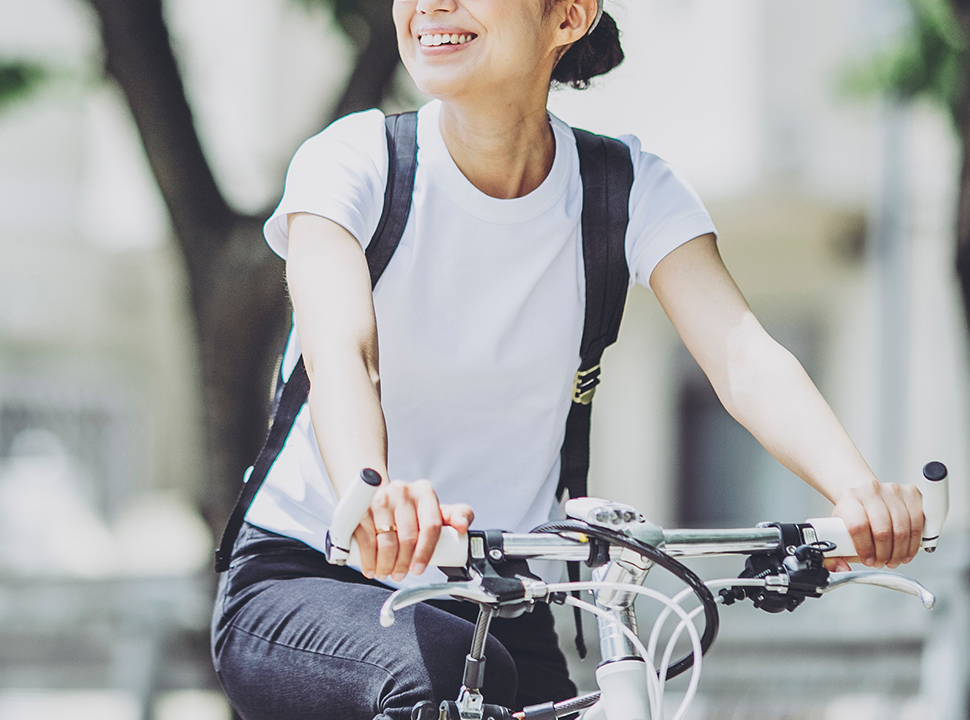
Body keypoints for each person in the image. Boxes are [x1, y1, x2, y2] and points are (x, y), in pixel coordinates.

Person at [212, 1, 926, 718]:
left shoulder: (625, 189)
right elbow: (342, 352)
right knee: (438, 677)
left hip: (502, 599)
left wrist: (857, 491)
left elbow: (742, 355)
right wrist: (374, 492)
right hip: (310, 581)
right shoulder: (355, 161)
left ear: (568, 18)